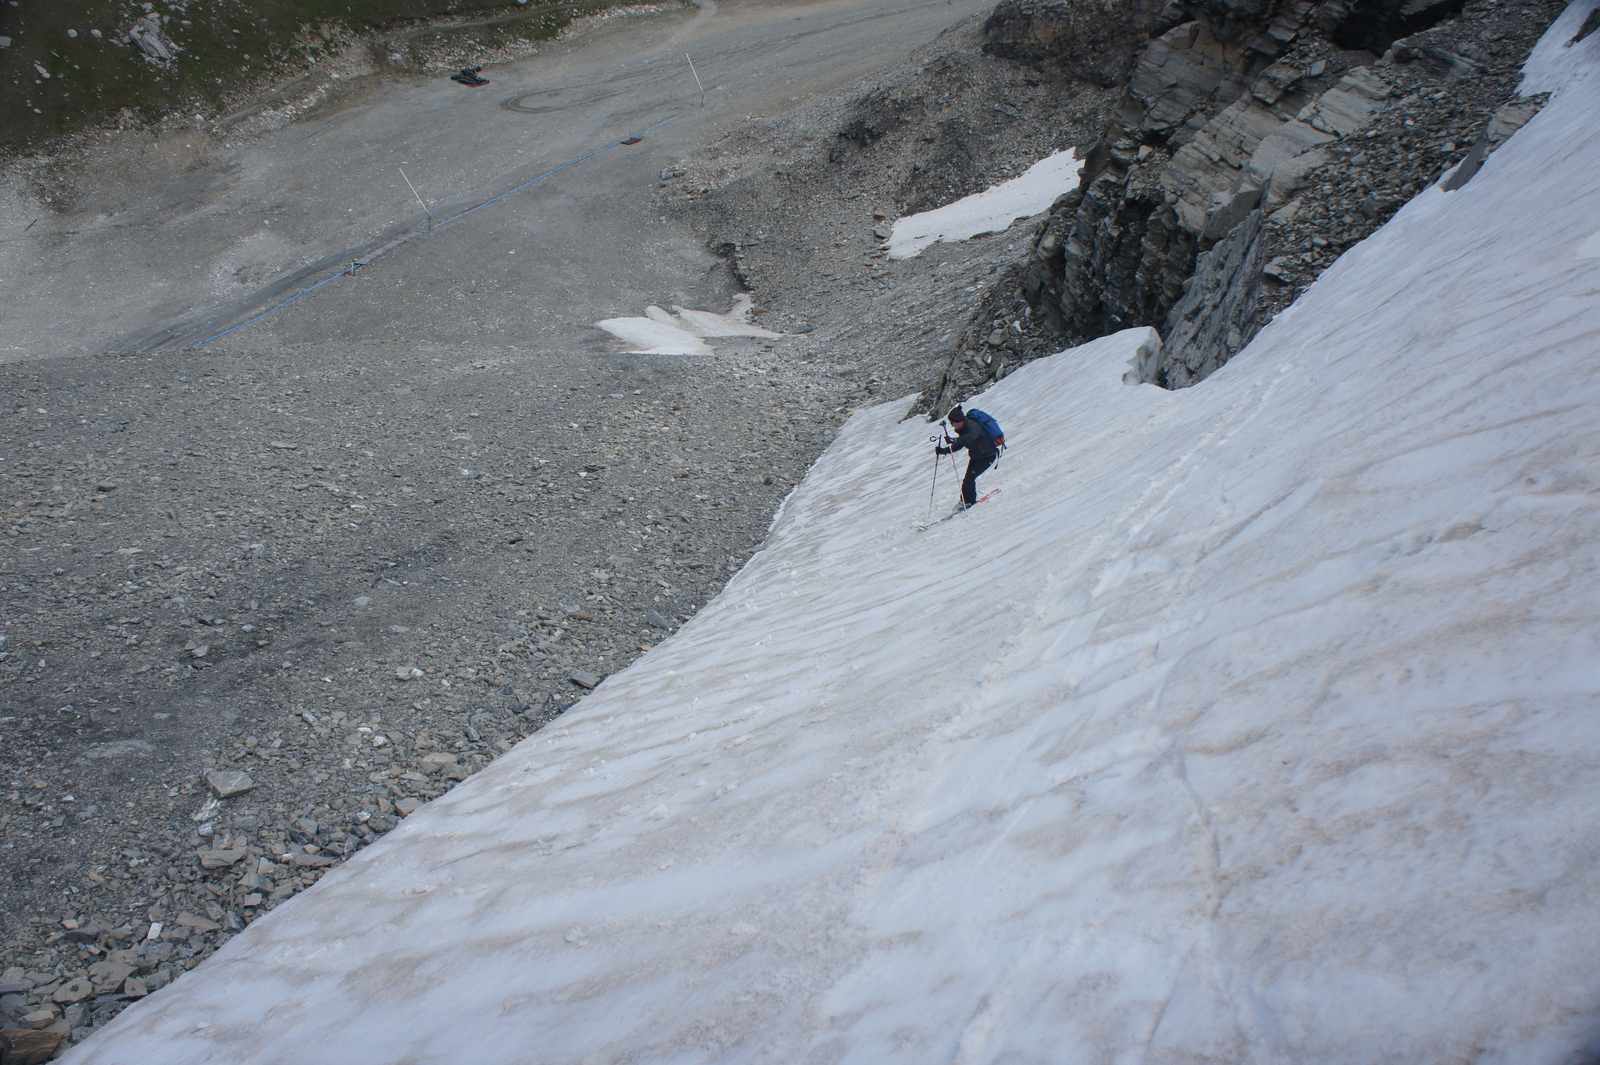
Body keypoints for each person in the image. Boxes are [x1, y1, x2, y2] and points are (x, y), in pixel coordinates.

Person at [934, 404, 997, 509]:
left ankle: (968, 502)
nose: (953, 426)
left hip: (987, 456)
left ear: (959, 420)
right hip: (976, 457)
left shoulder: (972, 426)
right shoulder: (963, 428)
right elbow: (960, 443)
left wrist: (955, 440)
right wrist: (944, 450)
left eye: (953, 423)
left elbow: (970, 438)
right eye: (952, 423)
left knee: (969, 479)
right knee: (967, 480)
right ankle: (965, 501)